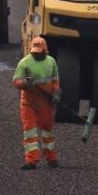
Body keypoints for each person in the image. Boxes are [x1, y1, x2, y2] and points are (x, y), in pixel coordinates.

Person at [12, 36, 60, 170]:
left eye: (39, 52)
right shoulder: (24, 62)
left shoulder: (51, 62)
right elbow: (16, 81)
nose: (37, 54)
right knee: (30, 131)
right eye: (35, 52)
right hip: (28, 103)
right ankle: (31, 161)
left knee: (47, 132)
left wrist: (56, 93)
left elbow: (55, 80)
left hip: (46, 102)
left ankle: (51, 158)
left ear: (46, 50)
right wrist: (25, 83)